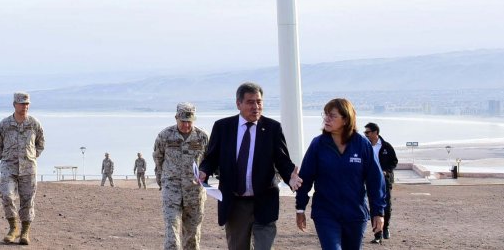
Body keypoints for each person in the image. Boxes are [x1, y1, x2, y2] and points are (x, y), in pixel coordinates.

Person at [198, 82, 302, 250]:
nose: (256, 107)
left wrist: (291, 177)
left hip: (265, 200)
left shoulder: (272, 128)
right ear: (238, 104)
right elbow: (211, 158)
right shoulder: (223, 127)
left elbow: (282, 160)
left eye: (259, 102)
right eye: (250, 102)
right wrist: (204, 171)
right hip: (235, 203)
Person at [295, 98, 385, 250]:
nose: (326, 119)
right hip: (325, 213)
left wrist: (378, 212)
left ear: (345, 119)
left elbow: (375, 180)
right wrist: (300, 208)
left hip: (355, 214)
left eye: (332, 116)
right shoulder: (318, 144)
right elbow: (306, 177)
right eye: (325, 115)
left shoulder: (362, 145)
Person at [154, 102, 209, 250]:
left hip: (194, 192)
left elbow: (209, 161)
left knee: (192, 235)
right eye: (183, 121)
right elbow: (158, 159)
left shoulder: (202, 137)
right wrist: (162, 181)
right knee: (171, 232)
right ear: (176, 118)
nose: (186, 125)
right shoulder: (165, 136)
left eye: (189, 121)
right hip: (171, 190)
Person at [0, 91, 45, 245]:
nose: (25, 106)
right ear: (14, 104)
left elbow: (40, 143)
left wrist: (31, 157)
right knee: (7, 195)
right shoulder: (5, 124)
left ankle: (25, 232)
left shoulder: (34, 123)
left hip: (28, 168)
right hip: (8, 167)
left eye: (27, 103)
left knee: (28, 200)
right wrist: (5, 158)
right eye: (22, 103)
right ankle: (13, 228)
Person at [363, 122, 398, 243]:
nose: (365, 134)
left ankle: (385, 227)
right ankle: (378, 235)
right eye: (365, 132)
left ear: (375, 132)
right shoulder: (365, 146)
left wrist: (386, 171)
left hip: (384, 180)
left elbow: (394, 161)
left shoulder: (386, 146)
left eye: (367, 132)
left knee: (386, 205)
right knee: (373, 206)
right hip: (369, 181)